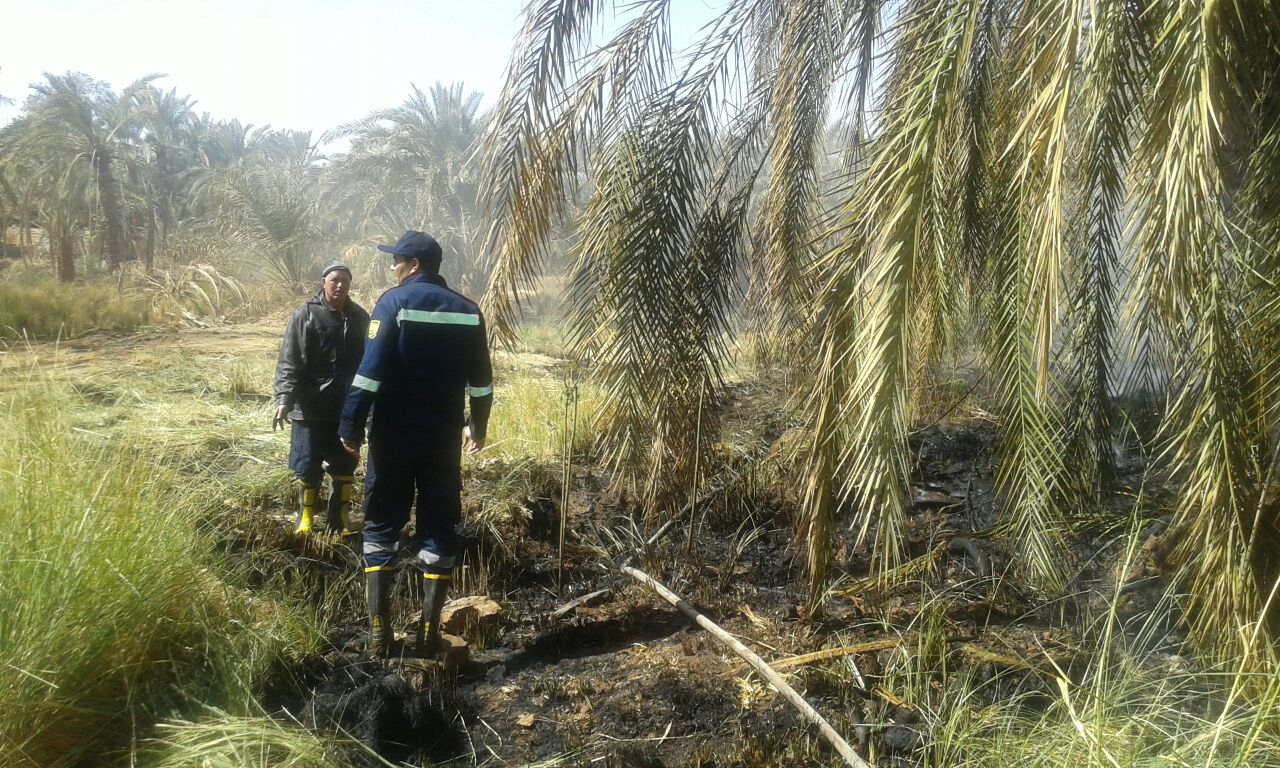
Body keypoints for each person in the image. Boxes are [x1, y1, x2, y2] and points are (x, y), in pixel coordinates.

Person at [339, 231, 493, 658]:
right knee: (439, 526)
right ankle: (427, 633)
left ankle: (378, 633)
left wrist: (350, 424)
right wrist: (476, 427)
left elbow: (369, 373)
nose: (393, 267)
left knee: (382, 524)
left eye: (397, 261)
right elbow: (481, 384)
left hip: (392, 436)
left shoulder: (394, 303)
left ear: (414, 265)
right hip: (442, 441)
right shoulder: (469, 310)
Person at [273, 263, 371, 536]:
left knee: (345, 464)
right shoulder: (305, 315)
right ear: (323, 282)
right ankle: (305, 517)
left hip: (346, 409)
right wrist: (284, 398)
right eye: (335, 280)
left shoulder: (360, 317)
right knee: (307, 464)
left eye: (345, 281)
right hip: (310, 408)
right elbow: (289, 360)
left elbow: (369, 363)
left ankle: (339, 518)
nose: (340, 286)